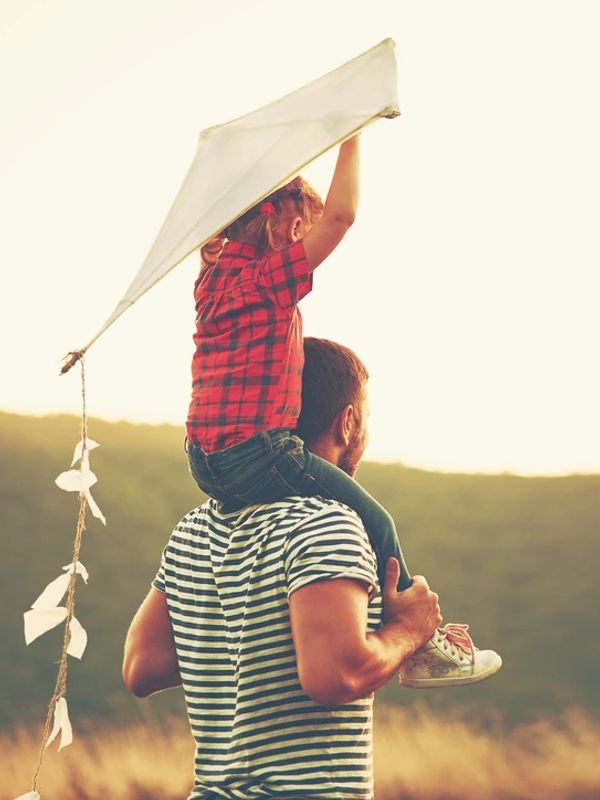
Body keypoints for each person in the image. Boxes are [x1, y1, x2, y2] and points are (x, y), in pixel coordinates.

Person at [123, 337, 501, 800]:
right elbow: (333, 676)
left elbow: (142, 667)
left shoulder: (194, 529)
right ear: (348, 423)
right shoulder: (326, 520)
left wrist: (255, 637)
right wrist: (408, 632)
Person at [184, 134, 500, 686]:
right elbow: (342, 218)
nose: (306, 238)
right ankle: (420, 643)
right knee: (375, 521)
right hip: (258, 453)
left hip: (202, 460)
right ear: (276, 223)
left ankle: (333, 613)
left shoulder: (210, 278)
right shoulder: (265, 281)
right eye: (300, 228)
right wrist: (350, 137)